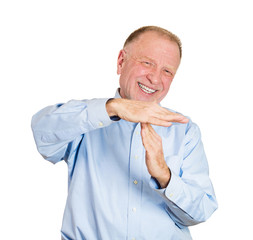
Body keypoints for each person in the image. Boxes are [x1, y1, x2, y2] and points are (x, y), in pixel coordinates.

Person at [31, 26, 218, 240]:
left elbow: (201, 211)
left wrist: (164, 176)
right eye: (147, 63)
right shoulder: (85, 123)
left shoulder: (185, 131)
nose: (155, 79)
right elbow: (42, 133)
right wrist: (113, 108)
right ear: (121, 61)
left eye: (167, 71)